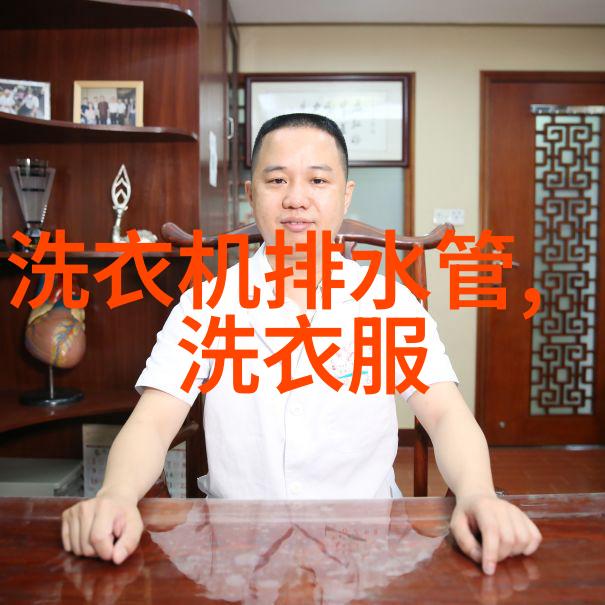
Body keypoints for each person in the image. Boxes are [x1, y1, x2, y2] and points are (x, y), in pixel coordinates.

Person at [61, 113, 542, 573]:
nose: (296, 199)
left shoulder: (390, 303)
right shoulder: (206, 303)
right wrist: (115, 496)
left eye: (317, 180)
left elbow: (445, 414)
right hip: (236, 547)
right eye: (276, 180)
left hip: (366, 546)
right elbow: (153, 421)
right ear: (251, 194)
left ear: (346, 195)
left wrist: (478, 495)